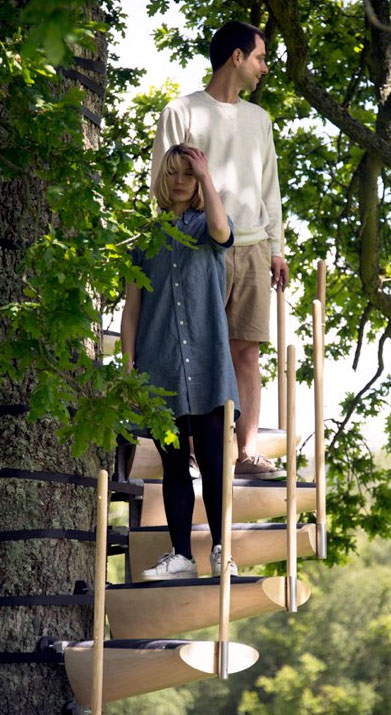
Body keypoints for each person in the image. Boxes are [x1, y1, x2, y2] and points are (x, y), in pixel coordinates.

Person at [151, 20, 289, 479]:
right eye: (260, 58)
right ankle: (194, 449)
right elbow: (162, 182)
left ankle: (245, 450)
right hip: (195, 248)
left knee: (246, 351)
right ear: (236, 56)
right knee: (195, 346)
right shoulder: (181, 111)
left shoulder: (260, 119)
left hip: (250, 247)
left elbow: (270, 188)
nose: (264, 68)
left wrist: (276, 248)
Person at [121, 144, 239, 579]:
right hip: (161, 366)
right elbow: (132, 308)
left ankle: (222, 548)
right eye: (173, 174)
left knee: (211, 461)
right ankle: (181, 556)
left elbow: (224, 232)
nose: (179, 182)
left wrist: (208, 176)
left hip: (207, 365)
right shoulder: (144, 240)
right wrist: (129, 363)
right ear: (162, 179)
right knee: (173, 465)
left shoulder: (208, 229)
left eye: (188, 176)